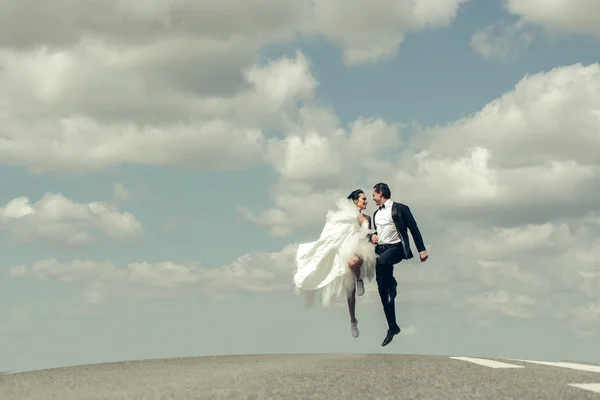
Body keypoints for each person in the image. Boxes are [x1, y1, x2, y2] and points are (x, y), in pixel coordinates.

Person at [293, 189, 376, 338]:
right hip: (344, 249)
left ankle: (359, 279)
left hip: (361, 249)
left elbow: (368, 235)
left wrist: (370, 232)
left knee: (352, 262)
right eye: (363, 199)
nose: (366, 201)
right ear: (355, 201)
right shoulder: (344, 217)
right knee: (349, 293)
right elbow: (332, 234)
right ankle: (353, 320)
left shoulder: (367, 217)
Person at [370, 182, 428, 346]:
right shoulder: (376, 213)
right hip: (381, 249)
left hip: (396, 248)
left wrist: (421, 250)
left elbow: (413, 228)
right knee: (383, 290)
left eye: (374, 194)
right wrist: (372, 237)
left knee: (382, 263)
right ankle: (392, 327)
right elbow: (378, 233)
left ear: (381, 193)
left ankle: (393, 283)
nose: (372, 198)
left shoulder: (400, 208)